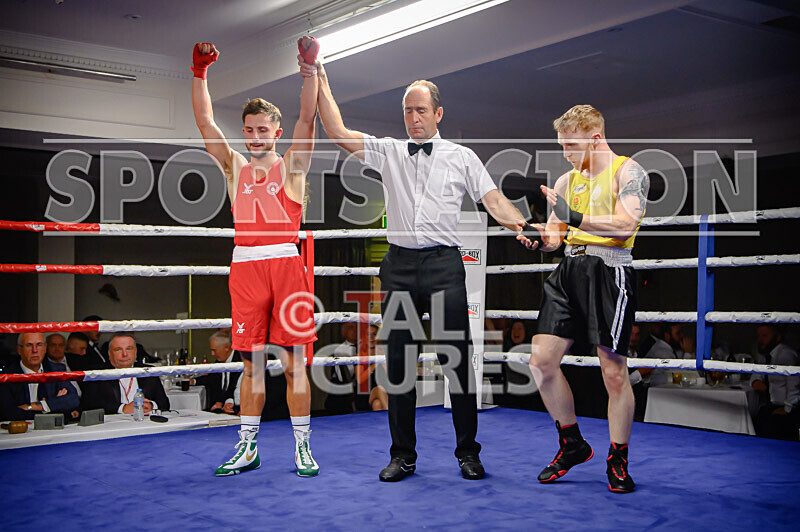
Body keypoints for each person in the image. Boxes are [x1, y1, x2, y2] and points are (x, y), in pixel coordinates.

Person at [304, 57, 530, 481]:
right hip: (400, 265)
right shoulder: (389, 151)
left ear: (438, 113)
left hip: (444, 265)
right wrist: (319, 75)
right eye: (408, 110)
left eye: (421, 110)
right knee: (400, 364)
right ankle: (402, 456)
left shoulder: (461, 156)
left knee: (456, 362)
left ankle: (468, 453)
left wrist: (523, 226)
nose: (413, 118)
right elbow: (336, 131)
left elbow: (494, 200)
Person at [191, 39, 320, 477]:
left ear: (276, 133)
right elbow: (205, 121)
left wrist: (309, 70)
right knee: (251, 366)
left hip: (285, 267)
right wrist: (199, 73)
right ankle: (247, 447)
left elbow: (307, 117)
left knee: (294, 364)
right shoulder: (234, 169)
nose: (255, 137)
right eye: (249, 130)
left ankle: (302, 447)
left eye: (263, 130)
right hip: (246, 268)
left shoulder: (293, 167)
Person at [518, 104, 649, 493]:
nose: (566, 153)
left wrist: (574, 217)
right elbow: (556, 237)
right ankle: (572, 443)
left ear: (595, 138)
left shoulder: (628, 171)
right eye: (562, 145)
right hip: (569, 270)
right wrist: (538, 238)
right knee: (541, 362)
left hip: (609, 269)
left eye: (571, 145)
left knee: (613, 372)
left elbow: (625, 225)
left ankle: (618, 459)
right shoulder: (565, 182)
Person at [81, 333, 170, 415]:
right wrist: (123, 408)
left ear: (135, 352)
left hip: (144, 422)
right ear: (109, 353)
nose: (124, 354)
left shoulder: (148, 371)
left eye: (129, 349)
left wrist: (151, 405)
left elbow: (164, 403)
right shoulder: (97, 373)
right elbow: (89, 405)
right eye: (118, 349)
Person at [0, 333, 80, 421]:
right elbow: (8, 413)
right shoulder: (6, 376)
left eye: (39, 345)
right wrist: (54, 406)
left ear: (45, 348)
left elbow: (73, 399)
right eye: (29, 345)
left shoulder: (56, 370)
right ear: (19, 350)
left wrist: (32, 406)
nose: (34, 350)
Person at [751, 325, 800, 440]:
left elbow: (795, 386)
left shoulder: (786, 355)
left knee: (770, 427)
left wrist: (787, 409)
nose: (760, 340)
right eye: (759, 336)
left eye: (764, 336)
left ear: (777, 337)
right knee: (754, 419)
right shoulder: (767, 356)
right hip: (770, 406)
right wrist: (756, 381)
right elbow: (756, 375)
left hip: (787, 408)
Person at [195, 331, 242, 414]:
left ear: (226, 347)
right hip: (220, 407)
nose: (212, 354)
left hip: (237, 408)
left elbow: (236, 387)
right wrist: (194, 381)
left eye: (214, 350)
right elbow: (211, 378)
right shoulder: (219, 361)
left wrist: (225, 402)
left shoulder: (240, 362)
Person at [353, 324, 388, 412]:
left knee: (377, 404)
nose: (371, 337)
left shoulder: (383, 353)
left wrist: (383, 359)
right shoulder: (360, 356)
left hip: (383, 392)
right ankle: (394, 417)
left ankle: (386, 420)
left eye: (374, 334)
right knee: (380, 389)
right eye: (368, 334)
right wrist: (375, 363)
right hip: (364, 395)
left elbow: (390, 376)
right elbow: (360, 379)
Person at [325, 322, 357, 415]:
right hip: (345, 386)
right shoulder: (340, 350)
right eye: (351, 328)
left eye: (357, 328)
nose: (355, 330)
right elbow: (344, 377)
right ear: (343, 333)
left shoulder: (367, 346)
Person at [47, 333, 81, 397]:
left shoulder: (76, 360)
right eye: (53, 345)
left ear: (65, 346)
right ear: (46, 346)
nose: (57, 349)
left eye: (60, 345)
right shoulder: (43, 365)